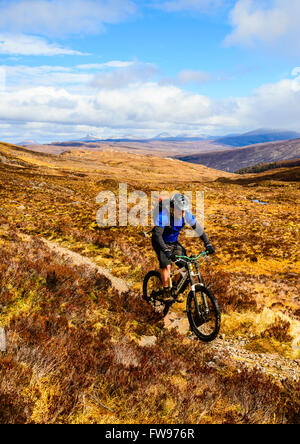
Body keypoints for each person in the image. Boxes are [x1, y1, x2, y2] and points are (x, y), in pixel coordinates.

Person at [151, 193, 215, 302]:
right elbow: (157, 235)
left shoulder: (186, 215)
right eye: (180, 210)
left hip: (173, 242)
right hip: (160, 242)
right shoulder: (164, 216)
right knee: (166, 266)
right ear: (173, 207)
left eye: (184, 210)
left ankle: (177, 290)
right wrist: (166, 251)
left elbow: (198, 229)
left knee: (187, 266)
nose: (182, 212)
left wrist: (207, 243)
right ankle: (166, 292)